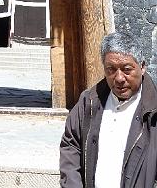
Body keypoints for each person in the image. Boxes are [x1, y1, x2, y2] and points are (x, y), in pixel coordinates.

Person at [60, 31, 157, 187]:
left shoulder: (153, 112)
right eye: (111, 69)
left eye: (127, 69)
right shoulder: (89, 102)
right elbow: (71, 145)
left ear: (142, 67)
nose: (119, 78)